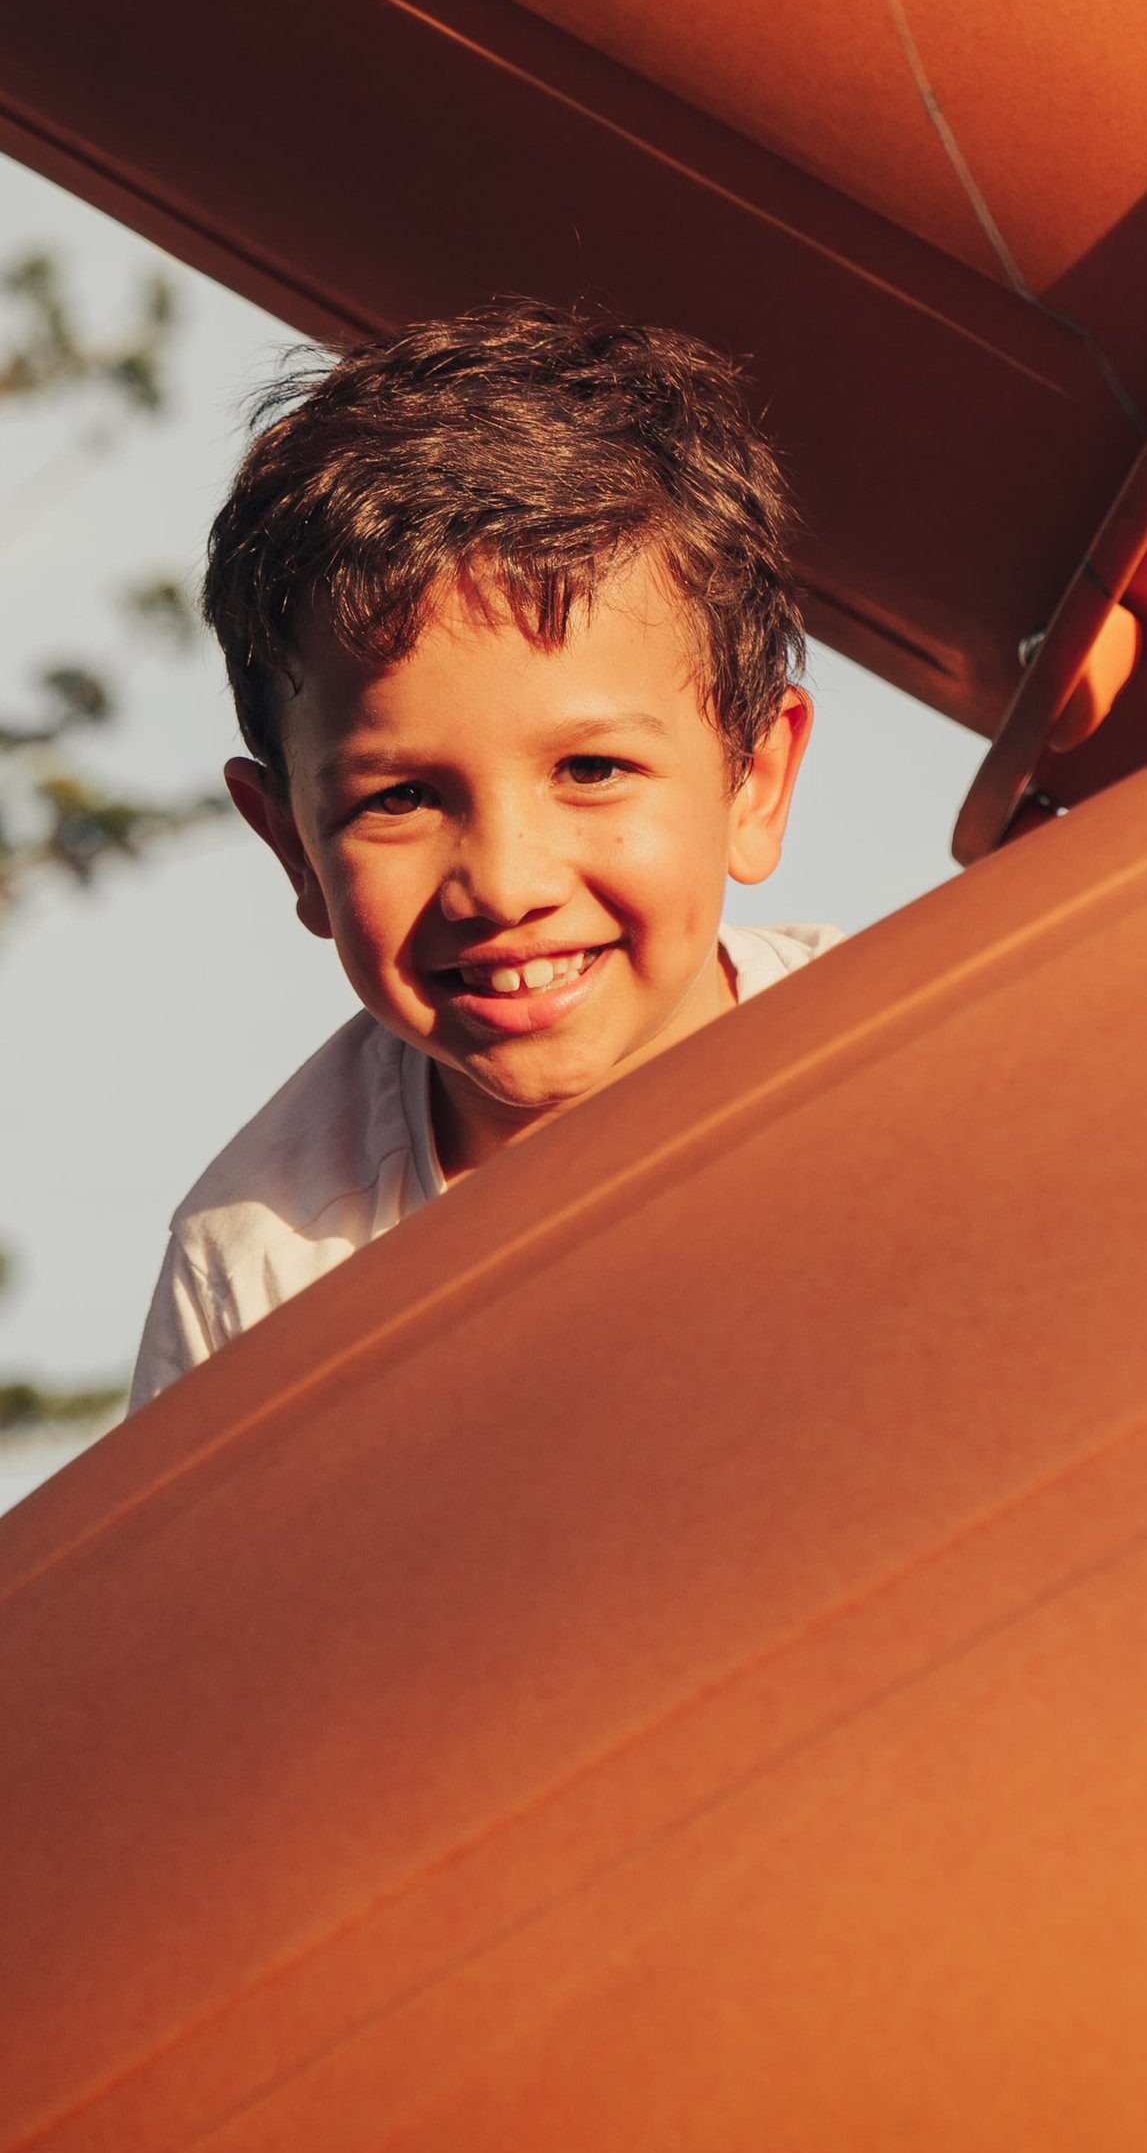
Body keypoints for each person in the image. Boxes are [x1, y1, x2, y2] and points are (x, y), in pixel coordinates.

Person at [128, 302, 836, 1408]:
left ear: (755, 779)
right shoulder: (264, 1273)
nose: (505, 885)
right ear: (292, 847)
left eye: (591, 769)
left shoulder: (933, 1076)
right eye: (400, 799)